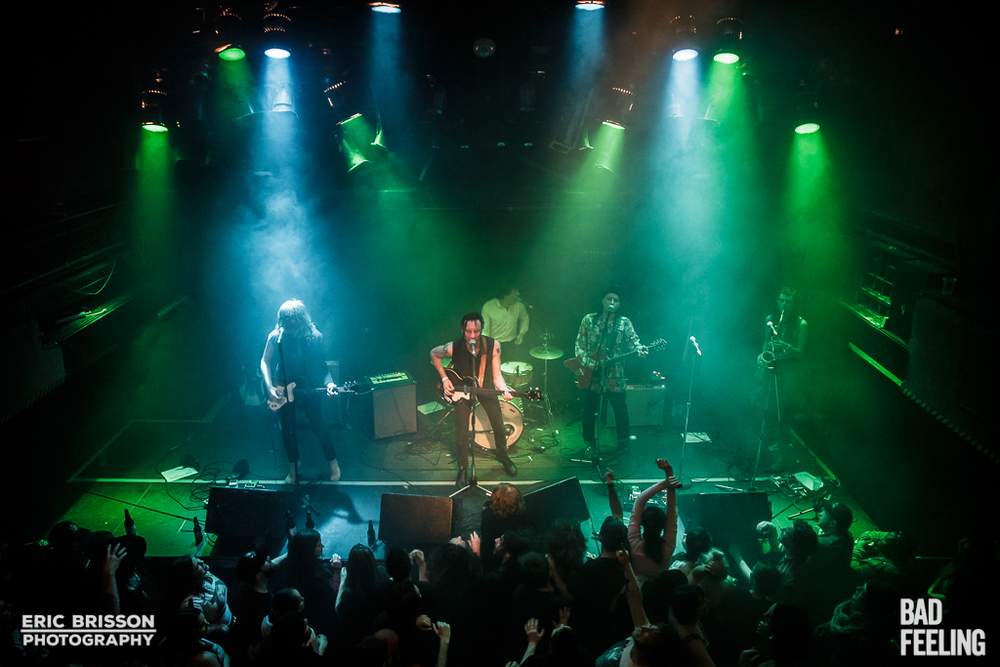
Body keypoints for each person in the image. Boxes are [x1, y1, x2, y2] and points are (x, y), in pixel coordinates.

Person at [259, 299, 341, 484]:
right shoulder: (276, 336)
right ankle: (293, 468)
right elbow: (264, 360)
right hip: (283, 387)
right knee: (288, 429)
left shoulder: (315, 337)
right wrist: (269, 386)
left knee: (319, 426)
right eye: (287, 324)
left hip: (308, 387)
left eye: (294, 324)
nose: (291, 329)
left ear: (301, 320)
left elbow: (322, 367)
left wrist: (329, 383)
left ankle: (334, 464)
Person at [430, 312, 518, 485]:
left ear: (481, 329)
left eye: (476, 331)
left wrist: (504, 389)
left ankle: (503, 456)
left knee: (499, 425)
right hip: (462, 389)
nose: (472, 335)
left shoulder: (493, 346)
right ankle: (463, 467)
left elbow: (497, 376)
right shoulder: (453, 347)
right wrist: (445, 378)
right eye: (468, 331)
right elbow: (433, 354)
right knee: (461, 432)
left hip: (484, 387)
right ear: (463, 330)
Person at [574, 290, 647, 453]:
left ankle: (623, 443)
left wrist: (640, 349)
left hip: (615, 375)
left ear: (620, 304)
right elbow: (579, 345)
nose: (612, 301)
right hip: (591, 373)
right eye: (609, 298)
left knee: (620, 409)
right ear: (602, 300)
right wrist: (590, 363)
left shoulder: (624, 322)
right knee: (588, 410)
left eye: (616, 300)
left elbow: (634, 342)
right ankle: (589, 442)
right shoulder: (589, 320)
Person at [482, 287, 530, 358]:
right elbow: (485, 330)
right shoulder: (488, 307)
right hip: (495, 345)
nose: (518, 294)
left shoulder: (519, 305)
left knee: (513, 367)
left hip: (512, 344)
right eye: (515, 292)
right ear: (505, 295)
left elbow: (525, 318)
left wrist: (521, 333)